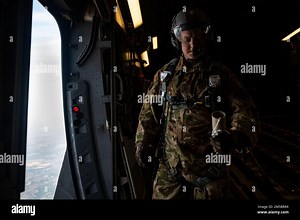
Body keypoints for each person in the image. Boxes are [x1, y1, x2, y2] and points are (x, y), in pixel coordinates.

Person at [135, 6, 260, 199]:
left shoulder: (220, 74)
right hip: (171, 166)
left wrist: (236, 136)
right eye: (187, 39)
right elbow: (148, 112)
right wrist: (143, 143)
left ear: (206, 39)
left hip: (211, 169)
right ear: (177, 40)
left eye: (199, 38)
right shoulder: (165, 76)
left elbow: (244, 109)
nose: (193, 45)